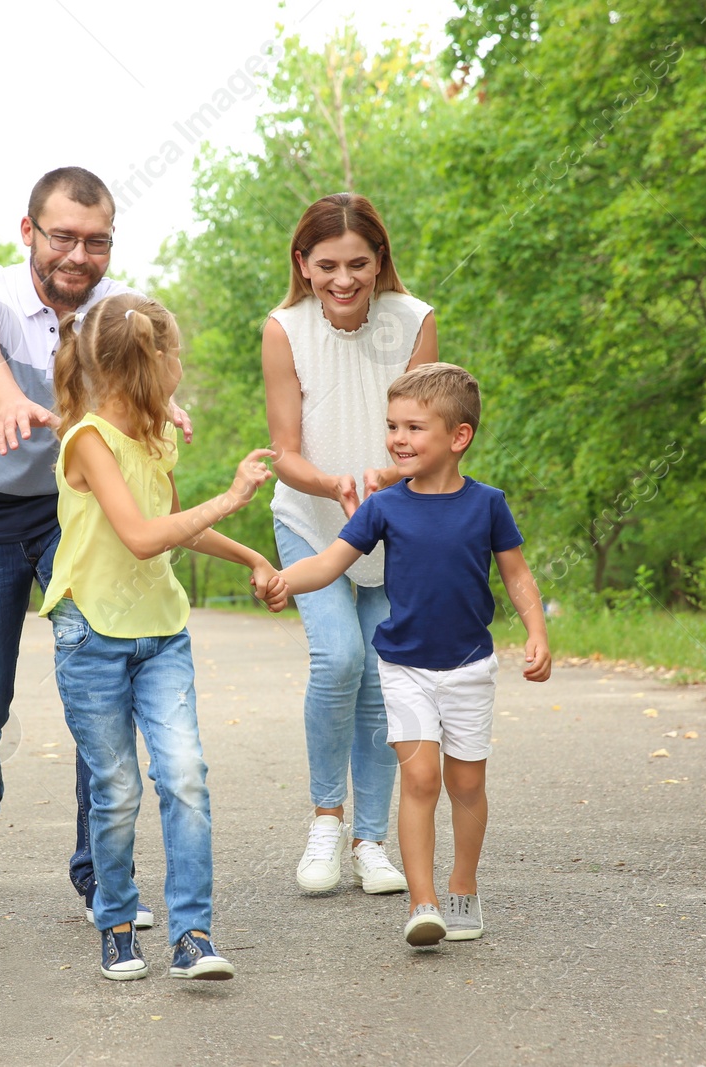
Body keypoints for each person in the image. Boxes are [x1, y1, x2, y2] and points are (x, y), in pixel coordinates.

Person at [0, 167, 186, 917]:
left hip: (74, 514)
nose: (79, 255)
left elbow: (152, 369)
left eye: (97, 241)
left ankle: (98, 871)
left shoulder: (117, 311)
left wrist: (164, 402)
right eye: (64, 238)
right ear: (29, 233)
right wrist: (10, 398)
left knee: (101, 679)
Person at [39, 292, 285, 981]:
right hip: (91, 633)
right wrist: (232, 493)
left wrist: (255, 558)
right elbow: (144, 537)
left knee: (184, 775)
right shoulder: (86, 440)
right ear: (155, 362)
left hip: (162, 634)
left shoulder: (158, 433)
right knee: (116, 789)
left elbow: (180, 526)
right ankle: (116, 921)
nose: (185, 365)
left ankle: (193, 934)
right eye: (179, 352)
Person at [268, 363, 552, 947]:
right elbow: (330, 563)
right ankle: (423, 904)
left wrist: (537, 632)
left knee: (467, 785)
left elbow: (517, 576)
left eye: (414, 427)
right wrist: (282, 579)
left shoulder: (488, 505)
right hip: (404, 666)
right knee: (420, 778)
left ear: (458, 437)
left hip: (470, 666)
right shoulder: (384, 506)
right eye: (392, 426)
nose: (398, 438)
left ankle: (462, 886)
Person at [261, 192, 437, 895]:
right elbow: (284, 451)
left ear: (380, 261)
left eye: (358, 264)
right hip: (310, 516)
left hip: (397, 522)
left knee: (379, 676)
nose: (343, 279)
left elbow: (425, 432)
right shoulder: (284, 328)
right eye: (327, 265)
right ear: (302, 265)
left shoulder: (414, 321)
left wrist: (389, 474)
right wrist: (336, 484)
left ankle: (371, 840)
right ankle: (325, 821)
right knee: (338, 658)